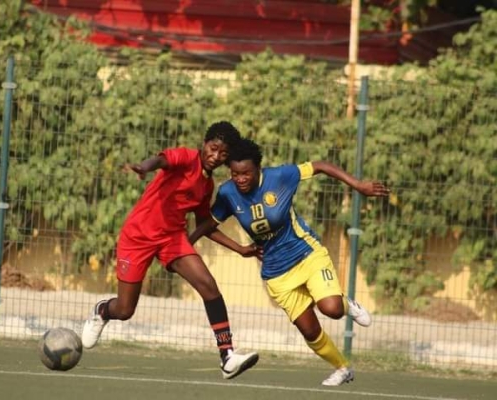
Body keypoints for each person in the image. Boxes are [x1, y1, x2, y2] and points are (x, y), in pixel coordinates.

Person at [189, 137, 390, 386]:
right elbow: (209, 224)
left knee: (332, 309)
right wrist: (201, 242)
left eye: (246, 173)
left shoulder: (281, 176)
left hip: (306, 254)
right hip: (276, 274)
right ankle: (342, 368)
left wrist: (358, 185)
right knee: (309, 330)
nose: (240, 179)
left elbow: (320, 166)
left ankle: (346, 303)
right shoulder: (228, 193)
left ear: (258, 169)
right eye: (235, 174)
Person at [82, 121, 259, 379]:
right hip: (138, 236)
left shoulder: (206, 186)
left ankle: (227, 357)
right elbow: (161, 160)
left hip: (172, 239)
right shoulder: (186, 158)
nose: (215, 156)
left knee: (209, 286)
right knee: (125, 310)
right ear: (204, 143)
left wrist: (240, 249)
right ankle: (102, 311)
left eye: (223, 154)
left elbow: (205, 226)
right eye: (213, 148)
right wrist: (144, 166)